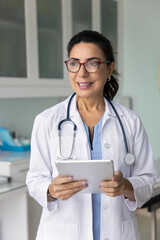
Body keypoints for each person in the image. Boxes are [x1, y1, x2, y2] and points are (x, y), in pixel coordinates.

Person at [26, 30, 157, 240]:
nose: (82, 73)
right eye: (74, 63)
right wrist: (50, 189)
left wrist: (126, 186)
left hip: (116, 232)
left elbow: (149, 180)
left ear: (109, 69)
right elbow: (34, 179)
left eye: (92, 63)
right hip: (63, 232)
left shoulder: (130, 121)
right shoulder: (47, 120)